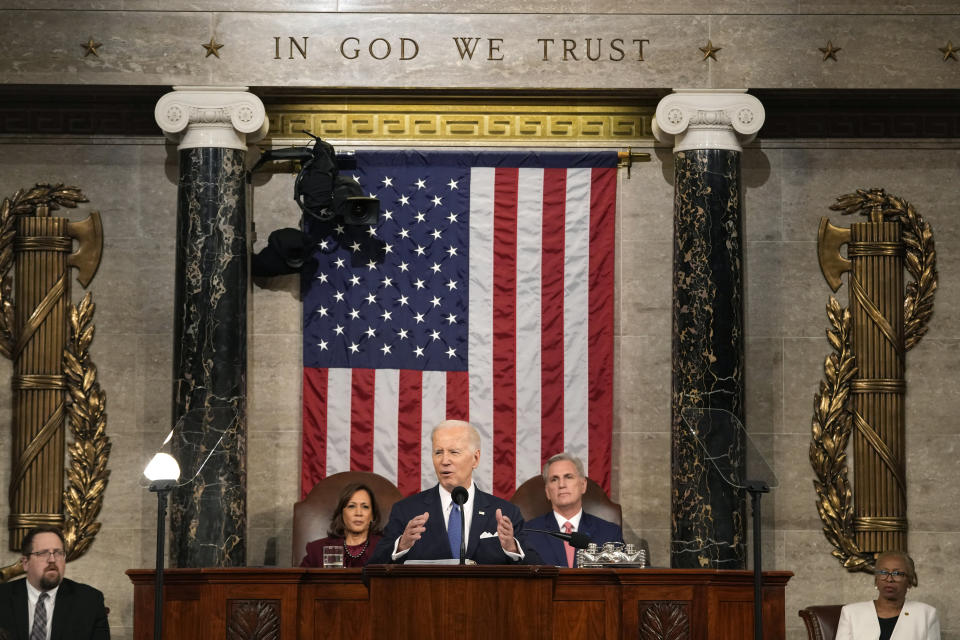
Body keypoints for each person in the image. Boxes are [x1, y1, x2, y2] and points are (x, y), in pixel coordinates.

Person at [369, 420, 537, 565]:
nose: (444, 461)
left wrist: (512, 548)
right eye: (438, 452)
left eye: (454, 452)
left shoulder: (506, 513)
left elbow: (538, 570)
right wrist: (401, 546)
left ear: (475, 459)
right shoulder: (407, 511)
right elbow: (370, 573)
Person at [0, 525, 110, 640]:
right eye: (43, 553)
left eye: (58, 553)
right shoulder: (2, 597)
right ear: (25, 563)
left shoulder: (89, 600)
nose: (52, 559)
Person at [524, 452, 623, 567]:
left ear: (583, 485)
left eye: (568, 477)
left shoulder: (610, 533)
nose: (561, 485)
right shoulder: (528, 533)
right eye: (554, 479)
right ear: (547, 492)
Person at [836, 551, 940, 640]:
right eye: (883, 572)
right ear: (876, 580)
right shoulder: (850, 613)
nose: (889, 579)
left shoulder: (927, 614)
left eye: (897, 574)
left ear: (909, 582)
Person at [300, 482, 383, 567]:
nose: (358, 513)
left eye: (365, 507)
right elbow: (300, 579)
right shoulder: (316, 550)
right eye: (351, 506)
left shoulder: (387, 548)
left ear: (372, 515)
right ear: (341, 513)